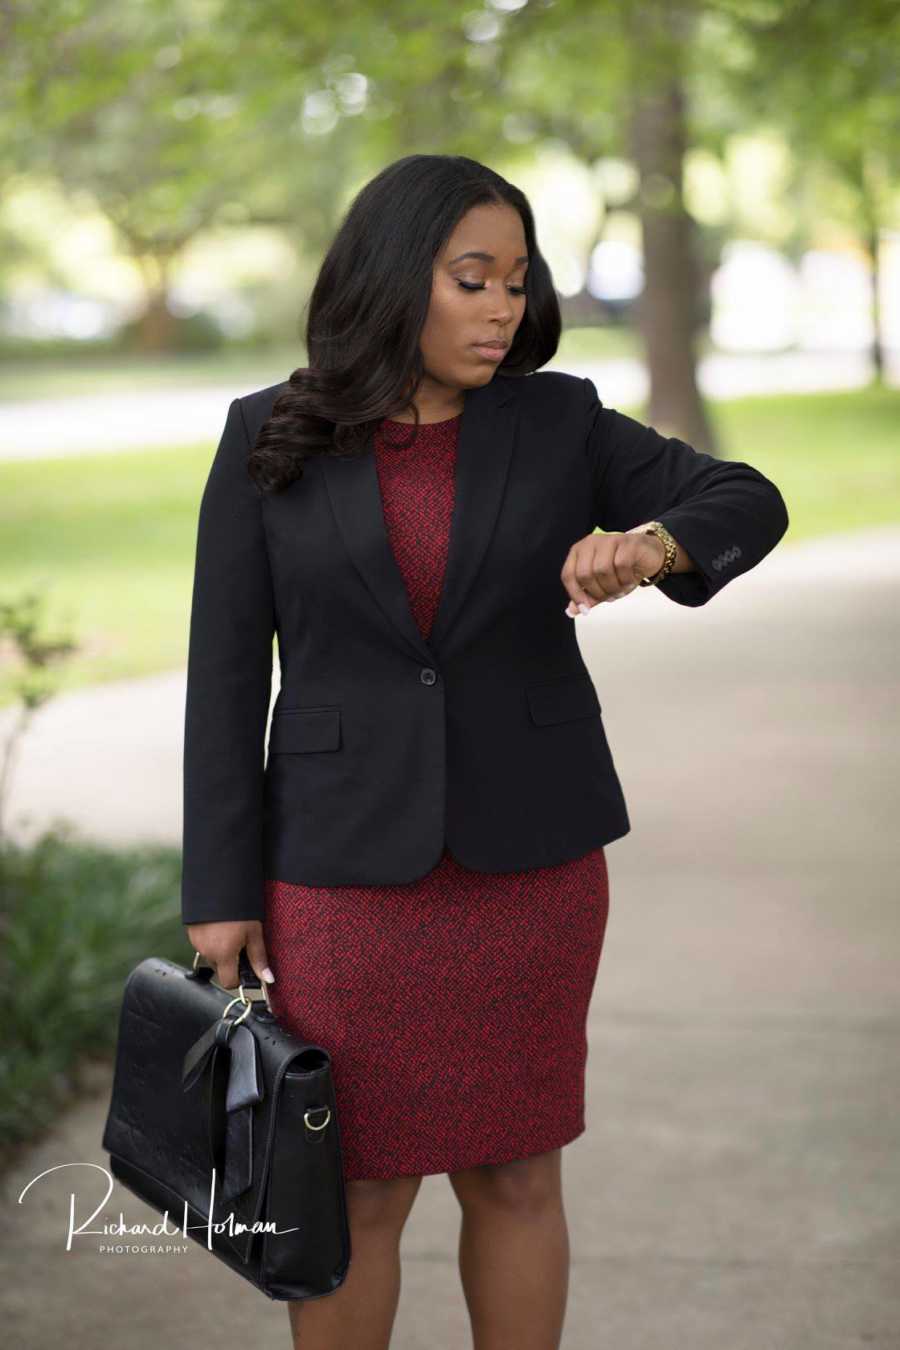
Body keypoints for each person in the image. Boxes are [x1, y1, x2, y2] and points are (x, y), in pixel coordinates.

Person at [181, 153, 789, 1349]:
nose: (505, 307)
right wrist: (219, 892)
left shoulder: (558, 421)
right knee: (351, 1185)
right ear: (397, 278)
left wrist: (657, 543)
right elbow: (223, 675)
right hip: (341, 875)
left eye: (518, 281)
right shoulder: (270, 435)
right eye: (475, 279)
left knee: (516, 1174)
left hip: (529, 867)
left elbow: (747, 494)